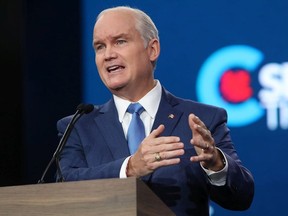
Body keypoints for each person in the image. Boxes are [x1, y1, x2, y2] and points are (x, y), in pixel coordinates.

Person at [57, 6, 254, 216]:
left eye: (120, 41)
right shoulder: (78, 125)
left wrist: (215, 163)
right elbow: (63, 190)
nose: (108, 54)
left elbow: (241, 198)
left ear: (152, 49)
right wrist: (130, 167)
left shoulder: (202, 119)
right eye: (99, 47)